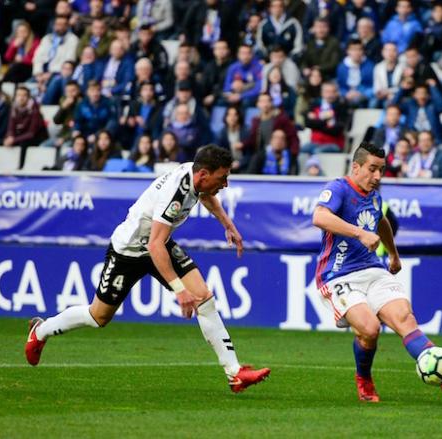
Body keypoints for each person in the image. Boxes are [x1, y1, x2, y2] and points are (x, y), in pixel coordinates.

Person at [25, 145, 271, 393]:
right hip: (129, 251)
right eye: (223, 177)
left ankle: (235, 373)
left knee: (203, 298)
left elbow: (205, 196)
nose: (226, 184)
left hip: (158, 243)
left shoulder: (196, 177)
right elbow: (154, 246)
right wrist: (178, 289)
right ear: (204, 174)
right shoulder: (177, 190)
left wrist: (228, 224)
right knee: (98, 316)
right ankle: (41, 330)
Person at [311, 141, 442, 402]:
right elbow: (319, 217)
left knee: (405, 318)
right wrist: (359, 233)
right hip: (338, 275)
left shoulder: (374, 195)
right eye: (372, 169)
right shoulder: (338, 188)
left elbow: (382, 222)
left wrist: (393, 253)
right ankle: (364, 379)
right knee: (369, 329)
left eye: (381, 170)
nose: (377, 176)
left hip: (373, 270)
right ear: (356, 167)